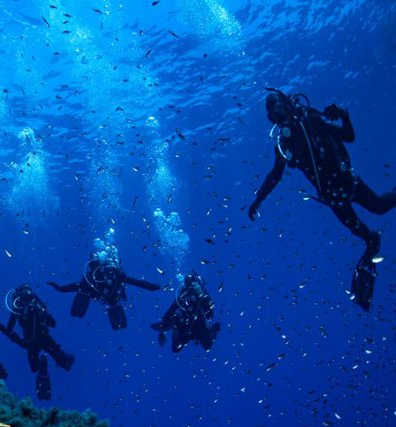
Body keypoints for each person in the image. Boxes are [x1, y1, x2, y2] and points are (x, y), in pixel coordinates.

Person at [247, 89, 395, 310]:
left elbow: (348, 136)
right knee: (365, 235)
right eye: (272, 117)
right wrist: (258, 199)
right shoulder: (284, 143)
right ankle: (370, 255)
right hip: (333, 198)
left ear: (287, 105)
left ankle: (370, 254)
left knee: (380, 207)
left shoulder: (312, 120)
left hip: (347, 183)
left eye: (278, 111)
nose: (278, 119)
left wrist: (343, 114)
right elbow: (275, 174)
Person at [48, 249, 160, 329]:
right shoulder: (93, 278)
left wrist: (151, 287)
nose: (106, 274)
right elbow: (137, 282)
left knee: (110, 301)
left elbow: (137, 282)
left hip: (111, 298)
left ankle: (113, 309)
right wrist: (59, 288)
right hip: (104, 296)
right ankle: (112, 308)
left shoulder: (116, 275)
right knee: (86, 290)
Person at [4, 284, 74, 400]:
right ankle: (53, 361)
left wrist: (18, 340)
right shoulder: (34, 305)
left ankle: (45, 363)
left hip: (31, 342)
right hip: (43, 337)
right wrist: (42, 312)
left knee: (35, 367)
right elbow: (53, 323)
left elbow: (9, 329)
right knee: (61, 359)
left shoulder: (19, 309)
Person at [150, 272, 221, 353]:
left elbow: (210, 314)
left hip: (198, 324)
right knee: (175, 349)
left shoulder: (202, 296)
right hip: (185, 325)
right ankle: (174, 327)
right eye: (190, 286)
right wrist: (162, 327)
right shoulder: (183, 296)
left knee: (207, 346)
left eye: (194, 286)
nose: (192, 290)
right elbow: (171, 310)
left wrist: (212, 328)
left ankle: (175, 328)